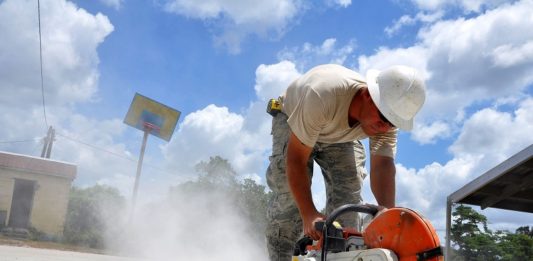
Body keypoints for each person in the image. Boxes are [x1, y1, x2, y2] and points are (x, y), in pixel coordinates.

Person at [265, 64, 426, 261]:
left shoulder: (387, 117)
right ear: (368, 95)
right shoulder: (323, 94)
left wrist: (388, 215)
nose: (385, 128)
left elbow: (383, 165)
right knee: (290, 200)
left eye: (392, 123)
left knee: (349, 199)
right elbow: (296, 159)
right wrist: (309, 214)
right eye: (383, 118)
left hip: (338, 133)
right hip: (294, 117)